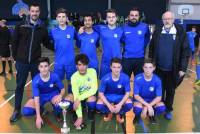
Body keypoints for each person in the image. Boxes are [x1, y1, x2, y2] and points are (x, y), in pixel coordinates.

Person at [10, 2, 54, 122]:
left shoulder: (42, 27)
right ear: (29, 12)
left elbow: (46, 43)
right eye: (32, 11)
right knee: (19, 86)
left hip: (36, 63)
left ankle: (39, 108)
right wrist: (15, 58)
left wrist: (58, 48)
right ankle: (16, 110)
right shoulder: (20, 25)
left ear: (39, 12)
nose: (34, 13)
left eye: (37, 11)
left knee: (38, 87)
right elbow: (14, 43)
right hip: (22, 63)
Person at [149, 11, 190, 120]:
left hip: (173, 69)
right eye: (165, 19)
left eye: (169, 18)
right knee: (159, 91)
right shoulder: (157, 31)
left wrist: (182, 68)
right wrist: (151, 64)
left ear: (173, 19)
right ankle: (158, 109)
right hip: (158, 68)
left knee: (171, 91)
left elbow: (186, 52)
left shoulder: (180, 32)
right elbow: (151, 49)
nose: (167, 21)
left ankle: (168, 110)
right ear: (162, 20)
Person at [22, 57, 65, 129]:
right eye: (41, 67)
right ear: (38, 68)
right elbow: (36, 98)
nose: (44, 69)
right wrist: (38, 117)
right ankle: (41, 110)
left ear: (49, 66)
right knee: (26, 111)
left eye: (46, 66)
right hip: (41, 96)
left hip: (53, 94)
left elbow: (62, 89)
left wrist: (60, 96)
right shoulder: (36, 80)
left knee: (59, 106)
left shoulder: (55, 76)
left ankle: (57, 112)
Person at [79, 9, 123, 79]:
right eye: (109, 17)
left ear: (116, 18)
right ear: (106, 18)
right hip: (105, 61)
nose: (111, 19)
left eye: (113, 17)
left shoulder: (121, 30)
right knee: (104, 81)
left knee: (117, 81)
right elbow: (89, 25)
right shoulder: (100, 28)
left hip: (117, 61)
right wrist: (83, 27)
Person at [96, 58, 132, 123]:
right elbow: (101, 93)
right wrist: (109, 106)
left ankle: (120, 112)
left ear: (121, 68)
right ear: (111, 67)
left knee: (129, 104)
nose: (116, 69)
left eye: (118, 67)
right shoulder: (105, 78)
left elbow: (127, 93)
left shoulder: (125, 77)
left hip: (120, 96)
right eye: (114, 67)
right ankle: (108, 111)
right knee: (99, 105)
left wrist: (120, 105)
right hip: (108, 96)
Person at [50, 8, 77, 94]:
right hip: (58, 62)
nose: (61, 19)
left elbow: (79, 39)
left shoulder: (72, 29)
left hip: (71, 61)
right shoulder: (53, 31)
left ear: (66, 18)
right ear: (57, 18)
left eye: (63, 17)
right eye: (59, 17)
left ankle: (70, 98)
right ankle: (58, 101)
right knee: (58, 82)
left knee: (71, 82)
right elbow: (47, 42)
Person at [69, 54, 97, 129]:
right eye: (79, 65)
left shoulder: (93, 72)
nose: (82, 67)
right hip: (78, 96)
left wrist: (79, 99)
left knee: (92, 100)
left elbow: (94, 89)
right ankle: (75, 112)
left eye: (84, 65)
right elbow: (76, 95)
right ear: (76, 66)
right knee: (68, 100)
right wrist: (80, 117)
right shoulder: (73, 77)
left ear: (87, 65)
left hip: (88, 96)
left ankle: (90, 111)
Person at [133, 59, 166, 124]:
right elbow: (136, 95)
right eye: (146, 67)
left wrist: (147, 106)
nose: (148, 70)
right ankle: (137, 116)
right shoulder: (137, 78)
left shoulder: (157, 80)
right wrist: (147, 106)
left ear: (154, 68)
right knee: (137, 108)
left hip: (152, 100)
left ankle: (152, 115)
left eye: (150, 67)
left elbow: (159, 97)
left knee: (161, 107)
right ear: (143, 68)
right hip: (140, 100)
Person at [122, 7, 150, 78]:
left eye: (136, 15)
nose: (134, 17)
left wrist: (142, 46)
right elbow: (121, 39)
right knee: (125, 80)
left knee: (139, 81)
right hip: (126, 59)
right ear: (129, 16)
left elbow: (147, 37)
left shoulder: (145, 26)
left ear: (139, 16)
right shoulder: (123, 27)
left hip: (140, 58)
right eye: (132, 15)